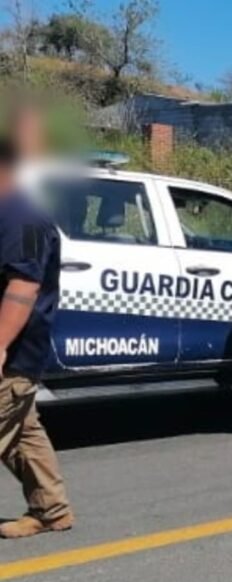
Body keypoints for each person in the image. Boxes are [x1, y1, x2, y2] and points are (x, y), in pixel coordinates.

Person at [0, 138, 74, 539]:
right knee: (24, 434)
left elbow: (24, 287)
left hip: (13, 355)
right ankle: (51, 511)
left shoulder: (25, 220)